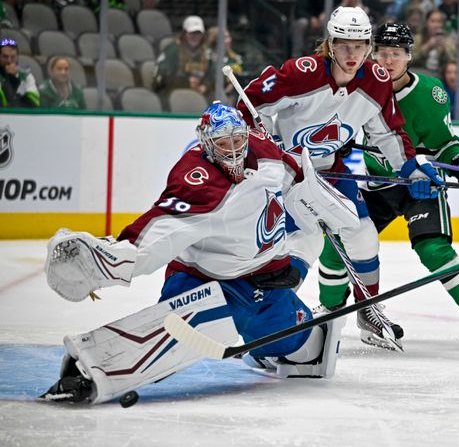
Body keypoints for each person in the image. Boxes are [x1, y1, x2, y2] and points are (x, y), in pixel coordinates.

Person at [40, 102, 352, 404]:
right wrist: (110, 262)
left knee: (310, 350)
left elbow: (304, 195)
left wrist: (297, 259)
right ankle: (88, 371)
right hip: (206, 282)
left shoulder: (266, 151)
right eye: (222, 143)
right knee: (166, 344)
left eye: (237, 139)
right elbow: (159, 230)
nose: (232, 150)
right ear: (205, 144)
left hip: (266, 286)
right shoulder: (198, 182)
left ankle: (264, 350)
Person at [238, 6, 444, 351]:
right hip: (287, 173)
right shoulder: (299, 74)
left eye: (360, 45)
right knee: (303, 243)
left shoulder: (376, 81)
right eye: (344, 45)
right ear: (330, 44)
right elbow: (248, 106)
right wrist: (266, 145)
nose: (352, 54)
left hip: (331, 170)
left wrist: (410, 168)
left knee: (363, 235)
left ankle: (369, 310)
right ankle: (265, 314)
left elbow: (387, 132)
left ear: (368, 46)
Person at [317, 22, 459, 350]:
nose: (388, 61)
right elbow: (337, 128)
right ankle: (332, 311)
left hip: (421, 184)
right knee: (339, 241)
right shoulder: (359, 86)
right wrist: (338, 142)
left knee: (434, 250)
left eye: (397, 54)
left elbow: (445, 145)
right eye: (382, 53)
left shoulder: (430, 94)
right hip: (378, 184)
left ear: (409, 57)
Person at [153, 15, 212, 98]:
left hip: (200, 94)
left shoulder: (207, 52)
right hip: (172, 93)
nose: (195, 36)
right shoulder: (172, 50)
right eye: (191, 33)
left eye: (198, 33)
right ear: (184, 33)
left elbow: (214, 73)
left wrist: (205, 86)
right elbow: (161, 76)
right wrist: (185, 82)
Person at [411, 8, 457, 73]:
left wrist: (444, 48)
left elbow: (453, 62)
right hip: (421, 74)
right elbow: (410, 60)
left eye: (439, 22)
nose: (436, 25)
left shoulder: (448, 41)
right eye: (432, 21)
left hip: (441, 76)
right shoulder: (418, 39)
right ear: (426, 23)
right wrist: (427, 46)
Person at [0, 37, 39, 108]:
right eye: (5, 57)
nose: (9, 61)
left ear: (17, 57)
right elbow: (4, 104)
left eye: (13, 57)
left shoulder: (26, 76)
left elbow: (34, 104)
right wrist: (11, 78)